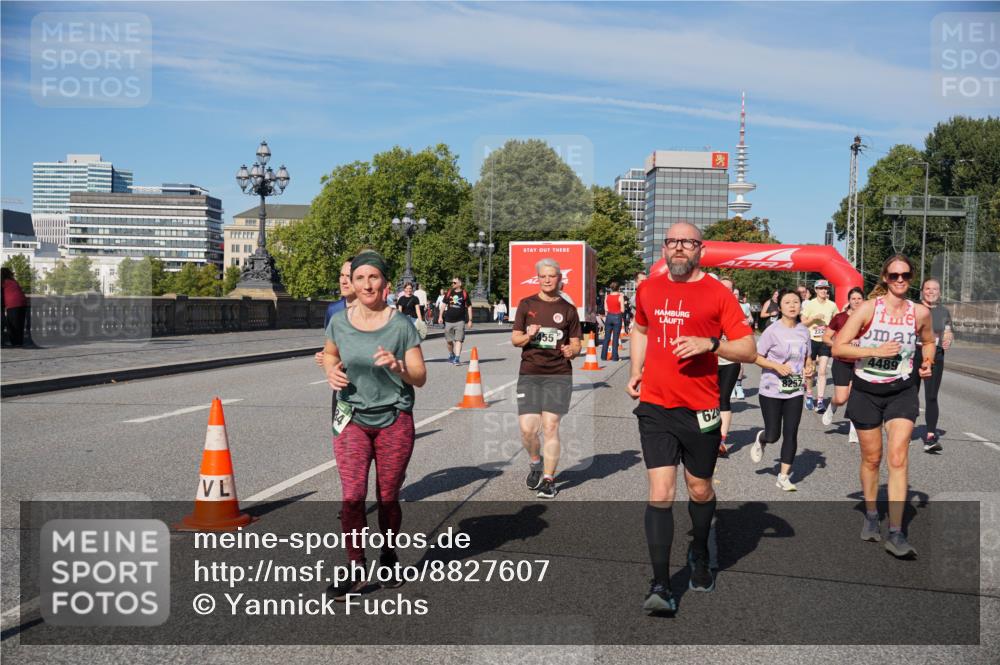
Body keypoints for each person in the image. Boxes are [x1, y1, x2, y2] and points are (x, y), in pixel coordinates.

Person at [628, 222, 756, 615]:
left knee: (699, 489)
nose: (679, 248)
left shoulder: (718, 294)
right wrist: (636, 370)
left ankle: (699, 548)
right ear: (664, 249)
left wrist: (711, 344)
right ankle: (661, 584)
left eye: (687, 242)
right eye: (672, 242)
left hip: (701, 409)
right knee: (661, 493)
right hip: (655, 405)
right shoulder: (649, 288)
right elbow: (640, 329)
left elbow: (748, 349)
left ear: (701, 249)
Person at [322, 250, 427, 599]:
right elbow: (330, 354)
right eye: (360, 278)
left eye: (373, 277)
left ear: (385, 283)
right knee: (352, 497)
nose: (367, 284)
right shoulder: (339, 322)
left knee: (387, 497)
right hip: (351, 417)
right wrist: (330, 371)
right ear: (351, 283)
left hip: (394, 419)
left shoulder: (401, 325)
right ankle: (356, 567)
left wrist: (399, 367)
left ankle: (389, 554)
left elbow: (420, 377)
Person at [832, 255, 935, 558]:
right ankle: (872, 513)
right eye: (894, 275)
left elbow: (929, 341)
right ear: (885, 278)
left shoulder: (920, 312)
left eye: (905, 275)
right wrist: (874, 350)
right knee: (872, 458)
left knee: (898, 458)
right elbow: (838, 347)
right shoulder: (868, 309)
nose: (900, 280)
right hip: (866, 391)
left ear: (911, 278)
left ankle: (896, 533)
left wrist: (927, 361)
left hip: (902, 391)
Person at [511, 258, 582, 500]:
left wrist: (572, 351)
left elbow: (577, 344)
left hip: (558, 374)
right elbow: (515, 339)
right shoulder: (526, 304)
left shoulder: (568, 309)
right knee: (527, 430)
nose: (547, 280)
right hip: (530, 373)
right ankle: (535, 463)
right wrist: (528, 336)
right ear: (538, 278)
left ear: (559, 278)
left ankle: (549, 480)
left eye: (552, 276)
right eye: (543, 276)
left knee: (550, 426)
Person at [749, 289, 815, 490]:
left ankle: (783, 476)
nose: (792, 305)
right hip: (771, 389)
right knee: (773, 435)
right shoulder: (772, 331)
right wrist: (776, 366)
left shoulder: (804, 331)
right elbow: (756, 357)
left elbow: (808, 357)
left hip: (794, 390)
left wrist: (809, 367)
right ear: (780, 307)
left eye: (796, 301)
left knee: (791, 433)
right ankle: (762, 438)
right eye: (787, 302)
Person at [913, 278, 953, 453]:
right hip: (914, 353)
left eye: (935, 289)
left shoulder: (943, 311)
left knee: (931, 396)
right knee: (910, 394)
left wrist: (948, 338)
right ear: (922, 291)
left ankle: (930, 436)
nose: (931, 292)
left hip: (935, 355)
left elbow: (948, 330)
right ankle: (904, 431)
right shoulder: (913, 308)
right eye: (927, 288)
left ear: (940, 292)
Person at [315, 258, 358, 422]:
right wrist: (325, 357)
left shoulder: (375, 310)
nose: (343, 281)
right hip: (343, 386)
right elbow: (330, 348)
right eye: (341, 275)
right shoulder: (333, 310)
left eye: (349, 276)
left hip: (370, 387)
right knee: (341, 432)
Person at [821, 286, 865, 443]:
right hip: (842, 361)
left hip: (860, 362)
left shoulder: (868, 318)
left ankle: (854, 430)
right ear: (849, 301)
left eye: (859, 299)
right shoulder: (840, 318)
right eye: (853, 299)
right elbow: (826, 337)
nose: (856, 301)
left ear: (863, 300)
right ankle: (832, 406)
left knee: (855, 397)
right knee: (841, 398)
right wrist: (838, 345)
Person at [800, 279, 838, 413]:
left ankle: (820, 401)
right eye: (821, 288)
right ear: (816, 290)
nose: (824, 290)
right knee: (810, 371)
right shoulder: (810, 304)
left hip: (825, 341)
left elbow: (838, 320)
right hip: (811, 340)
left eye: (826, 288)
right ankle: (809, 395)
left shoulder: (832, 305)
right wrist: (814, 318)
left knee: (822, 371)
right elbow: (802, 323)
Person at [716, 277, 742, 457]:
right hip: (709, 361)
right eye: (722, 287)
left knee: (723, 398)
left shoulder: (737, 311)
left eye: (729, 289)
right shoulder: (708, 306)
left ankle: (721, 441)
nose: (725, 291)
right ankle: (705, 434)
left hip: (730, 362)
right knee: (706, 399)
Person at [438, 277, 472, 365]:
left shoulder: (464, 293)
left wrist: (470, 320)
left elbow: (469, 307)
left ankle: (457, 358)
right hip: (448, 320)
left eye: (454, 282)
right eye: (452, 282)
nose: (452, 284)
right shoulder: (449, 292)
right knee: (449, 341)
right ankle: (451, 354)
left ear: (460, 284)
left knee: (458, 340)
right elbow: (443, 305)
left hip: (460, 321)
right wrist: (440, 316)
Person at [1, 268, 28, 347]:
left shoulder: (3, 282)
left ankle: (14, 342)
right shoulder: (13, 281)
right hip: (23, 303)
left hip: (13, 303)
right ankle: (19, 342)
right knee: (20, 323)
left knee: (12, 324)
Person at [602, 281, 624, 362]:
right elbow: (622, 310)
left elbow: (606, 308)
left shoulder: (607, 296)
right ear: (618, 288)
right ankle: (615, 357)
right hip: (617, 317)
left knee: (606, 337)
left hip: (609, 317)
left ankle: (603, 356)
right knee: (615, 338)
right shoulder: (620, 296)